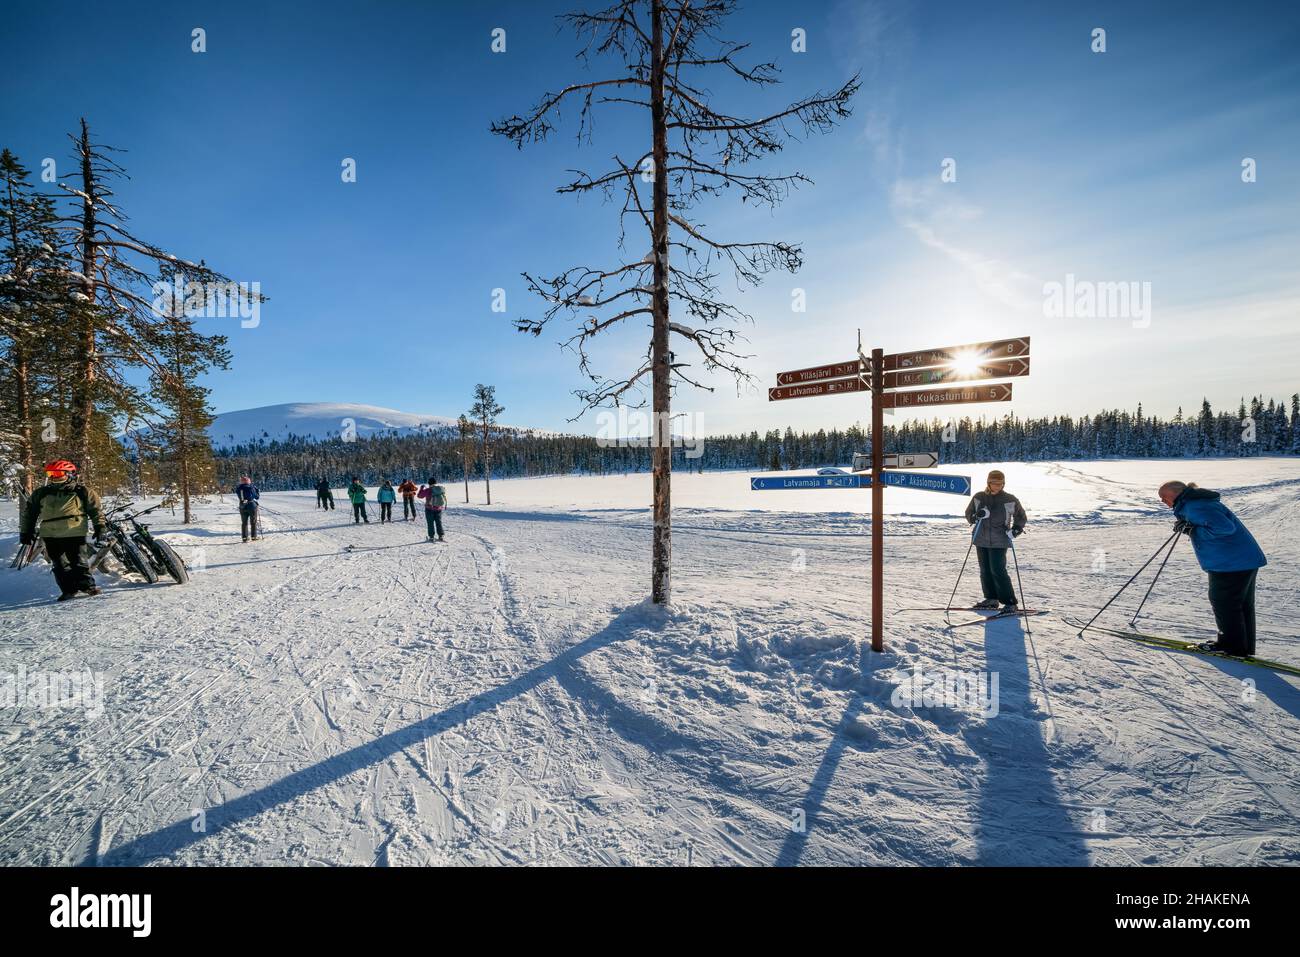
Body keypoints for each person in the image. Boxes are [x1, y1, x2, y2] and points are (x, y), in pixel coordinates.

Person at [1159, 480, 1266, 657]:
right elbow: (1211, 526)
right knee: (1240, 604)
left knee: (1223, 602)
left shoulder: (1195, 505)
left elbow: (1224, 528)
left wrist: (1192, 529)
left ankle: (1231, 646)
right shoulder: (1196, 503)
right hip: (1242, 559)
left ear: (1176, 494)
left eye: (1164, 497)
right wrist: (1189, 527)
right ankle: (1242, 646)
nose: (1163, 501)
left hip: (1231, 563)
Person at [19, 460, 105, 600]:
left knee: (78, 561)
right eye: (50, 473)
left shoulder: (82, 491)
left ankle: (87, 587)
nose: (54, 477)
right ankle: (68, 590)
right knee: (59, 564)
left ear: (70, 474)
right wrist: (26, 532)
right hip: (50, 534)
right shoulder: (41, 493)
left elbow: (96, 511)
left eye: (58, 473)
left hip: (74, 531)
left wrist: (100, 527)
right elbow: (30, 514)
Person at [963, 469, 1027, 610]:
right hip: (980, 538)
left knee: (998, 570)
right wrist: (976, 516)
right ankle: (991, 599)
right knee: (985, 570)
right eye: (994, 483)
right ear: (988, 483)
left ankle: (1010, 603)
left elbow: (1021, 517)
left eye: (1000, 483)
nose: (997, 486)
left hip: (1000, 540)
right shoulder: (979, 497)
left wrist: (1016, 530)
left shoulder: (1010, 499)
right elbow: (969, 514)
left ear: (1003, 484)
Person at [417, 476, 447, 541]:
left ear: (429, 483)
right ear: (435, 483)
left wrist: (421, 488)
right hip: (439, 509)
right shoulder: (440, 489)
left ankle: (431, 537)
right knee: (439, 522)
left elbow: (419, 496)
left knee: (430, 523)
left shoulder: (428, 490)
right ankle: (441, 536)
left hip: (429, 509)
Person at [235, 475, 260, 541]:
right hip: (251, 505)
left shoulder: (239, 488)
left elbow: (239, 494)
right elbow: (257, 497)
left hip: (242, 506)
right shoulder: (251, 487)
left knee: (244, 522)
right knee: (253, 522)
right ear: (249, 481)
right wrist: (257, 491)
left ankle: (245, 537)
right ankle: (254, 536)